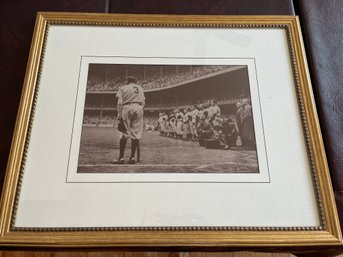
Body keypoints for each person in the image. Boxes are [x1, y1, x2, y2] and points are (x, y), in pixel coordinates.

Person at [113, 76, 145, 164]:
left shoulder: (123, 87)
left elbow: (119, 102)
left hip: (127, 107)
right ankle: (132, 158)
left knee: (124, 132)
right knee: (135, 134)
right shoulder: (140, 88)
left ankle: (121, 158)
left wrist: (119, 115)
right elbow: (144, 102)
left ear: (127, 81)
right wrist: (139, 108)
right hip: (139, 108)